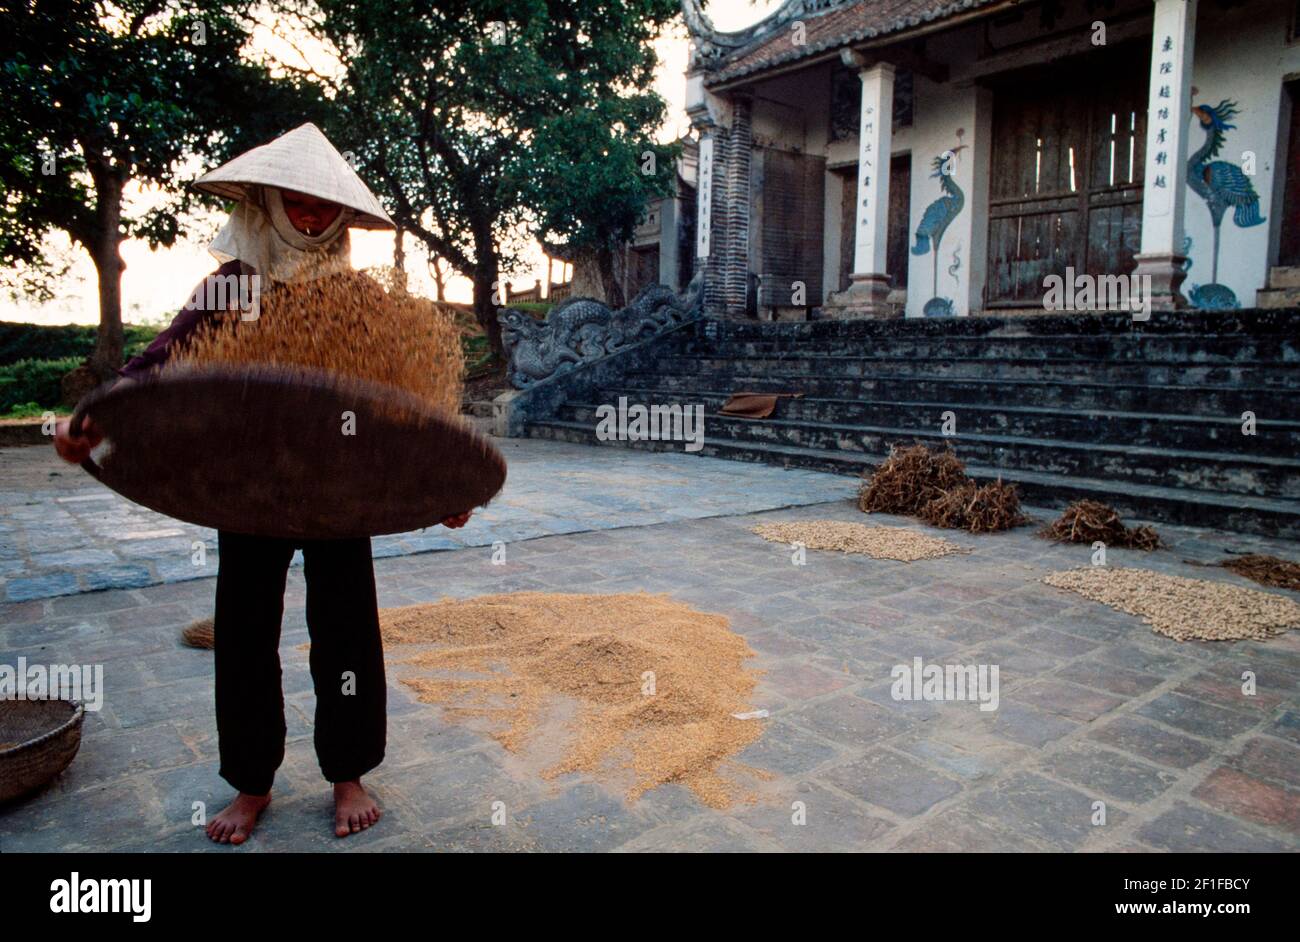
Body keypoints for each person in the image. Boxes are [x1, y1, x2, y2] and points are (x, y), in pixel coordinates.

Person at [53, 124, 470, 845]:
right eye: (298, 206)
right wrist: (90, 418)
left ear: (341, 220)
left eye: (324, 211)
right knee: (245, 634)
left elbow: (406, 408)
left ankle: (349, 773)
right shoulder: (231, 287)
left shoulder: (359, 301)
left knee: (346, 632)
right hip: (246, 486)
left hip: (339, 492)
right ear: (269, 204)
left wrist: (445, 485)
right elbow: (158, 363)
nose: (310, 221)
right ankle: (251, 783)